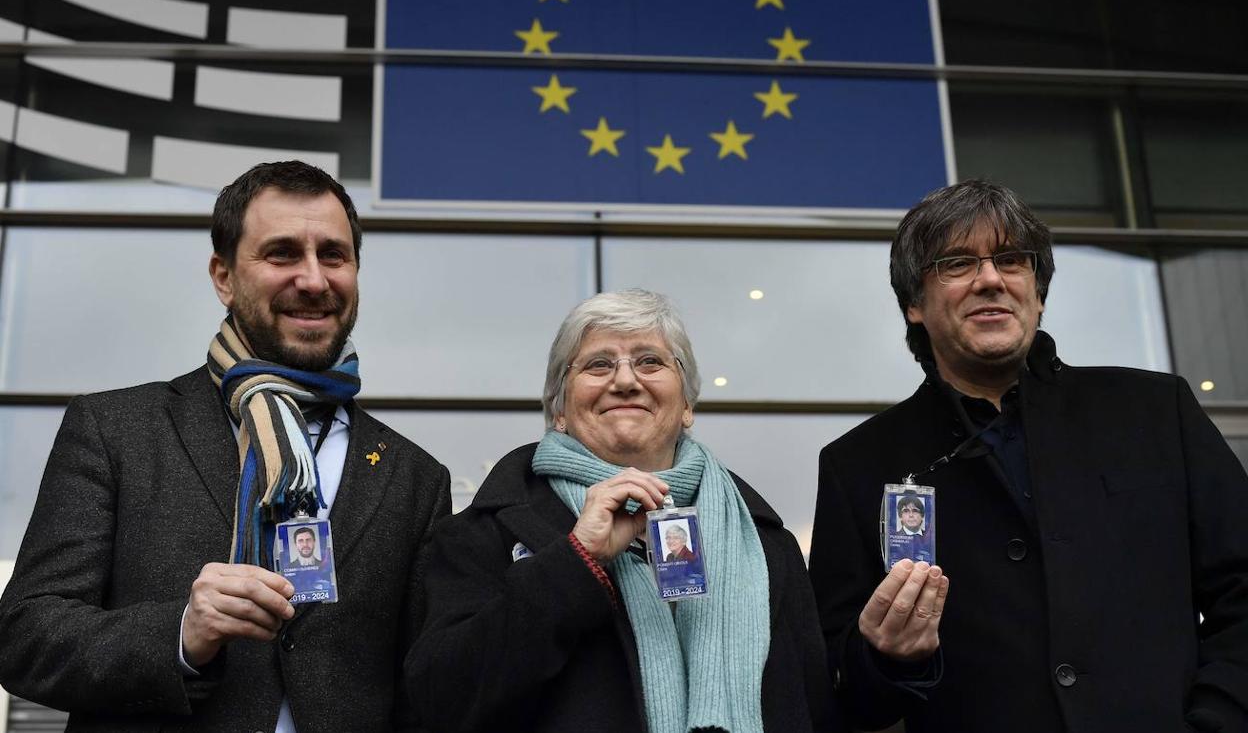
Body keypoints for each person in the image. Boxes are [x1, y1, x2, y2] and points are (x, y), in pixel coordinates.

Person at [0, 161, 451, 732]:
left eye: (333, 255)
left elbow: (425, 690)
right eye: (282, 253)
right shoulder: (116, 430)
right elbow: (23, 635)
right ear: (224, 276)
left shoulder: (415, 478)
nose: (313, 280)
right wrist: (181, 632)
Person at [807, 179, 1248, 733]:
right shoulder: (859, 466)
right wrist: (887, 658)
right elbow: (838, 689)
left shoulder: (1156, 412)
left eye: (1011, 260)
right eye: (958, 263)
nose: (990, 279)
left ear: (1036, 291)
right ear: (915, 304)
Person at [408, 289, 841, 733]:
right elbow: (440, 702)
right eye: (598, 364)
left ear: (687, 405)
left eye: (650, 361)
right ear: (558, 409)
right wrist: (576, 560)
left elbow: (817, 711)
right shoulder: (484, 534)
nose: (626, 381)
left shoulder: (766, 545)